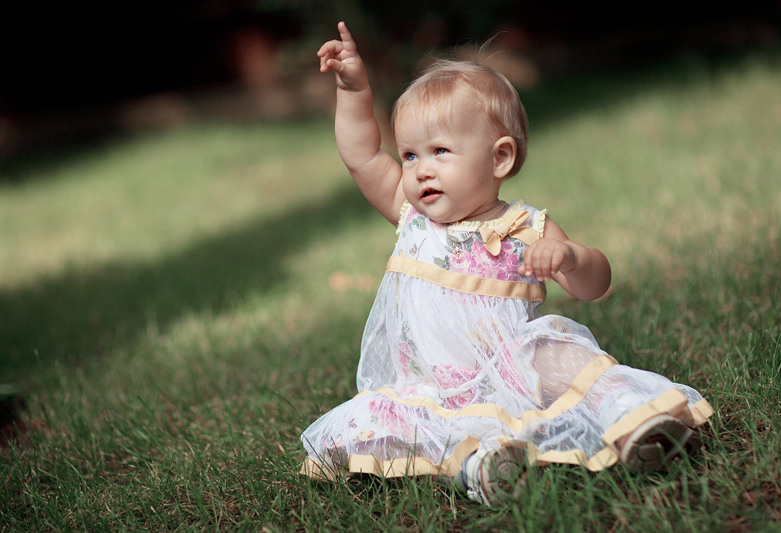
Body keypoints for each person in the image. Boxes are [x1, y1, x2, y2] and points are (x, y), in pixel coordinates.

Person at [301, 21, 713, 506]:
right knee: (407, 430)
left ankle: (629, 416)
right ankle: (478, 468)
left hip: (514, 371)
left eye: (439, 151)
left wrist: (572, 257)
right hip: (430, 383)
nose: (420, 169)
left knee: (562, 357)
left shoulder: (525, 228)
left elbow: (594, 284)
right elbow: (362, 154)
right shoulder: (411, 214)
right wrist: (354, 89)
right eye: (410, 155)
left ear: (499, 159)